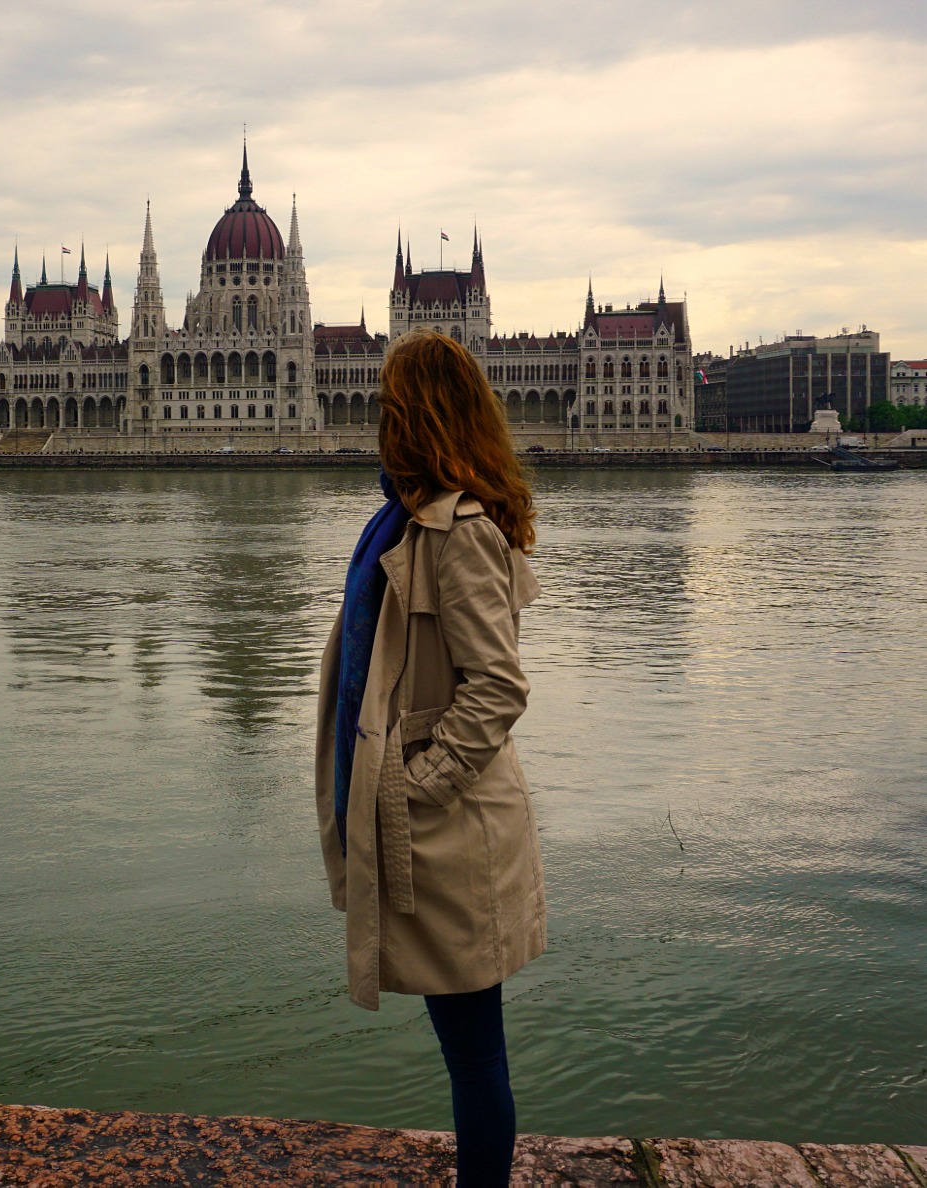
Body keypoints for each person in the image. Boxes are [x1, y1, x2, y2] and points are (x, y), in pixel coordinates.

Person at [315, 328, 545, 1186]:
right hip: (432, 815)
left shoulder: (459, 531)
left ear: (418, 415)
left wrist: (411, 788)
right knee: (464, 1044)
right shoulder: (407, 518)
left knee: (475, 1051)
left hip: (451, 825)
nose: (377, 416)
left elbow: (496, 687)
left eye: (389, 403)